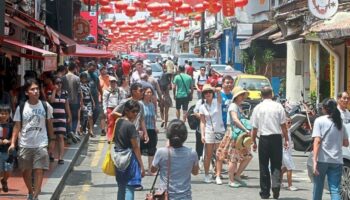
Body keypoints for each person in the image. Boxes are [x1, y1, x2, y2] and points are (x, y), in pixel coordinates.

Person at [9, 79, 55, 200]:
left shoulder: (46, 106)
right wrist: (13, 143)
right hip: (25, 144)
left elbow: (50, 124)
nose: (36, 91)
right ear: (26, 92)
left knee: (39, 170)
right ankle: (30, 190)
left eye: (37, 89)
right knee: (25, 171)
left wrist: (52, 140)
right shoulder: (21, 107)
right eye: (32, 89)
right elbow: (17, 126)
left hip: (41, 143)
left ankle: (35, 196)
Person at [251, 87, 288, 199]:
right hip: (276, 138)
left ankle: (265, 192)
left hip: (264, 139)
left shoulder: (258, 108)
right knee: (276, 164)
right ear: (271, 94)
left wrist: (254, 142)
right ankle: (276, 185)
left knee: (263, 165)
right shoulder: (278, 106)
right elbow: (283, 126)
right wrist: (286, 139)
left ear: (261, 95)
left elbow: (254, 128)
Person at [151, 119, 199, 200]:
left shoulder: (161, 152)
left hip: (166, 196)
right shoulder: (192, 153)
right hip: (185, 196)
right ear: (185, 136)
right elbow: (195, 172)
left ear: (168, 135)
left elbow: (153, 170)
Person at [312, 98, 349, 200]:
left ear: (324, 109)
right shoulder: (340, 122)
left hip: (322, 160)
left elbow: (317, 141)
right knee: (335, 189)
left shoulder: (319, 121)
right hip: (337, 160)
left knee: (318, 188)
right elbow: (346, 143)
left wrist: (314, 161)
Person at [113, 100, 145, 200]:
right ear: (126, 111)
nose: (135, 114)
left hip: (118, 158)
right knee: (129, 187)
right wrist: (142, 165)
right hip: (129, 159)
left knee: (121, 187)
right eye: (133, 111)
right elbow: (135, 147)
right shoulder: (130, 126)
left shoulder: (119, 121)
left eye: (137, 111)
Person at [224, 87, 252, 188]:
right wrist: (245, 129)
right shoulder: (233, 106)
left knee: (247, 156)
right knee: (233, 158)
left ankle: (237, 176)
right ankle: (231, 180)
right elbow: (235, 120)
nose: (243, 97)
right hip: (235, 135)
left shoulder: (237, 106)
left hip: (240, 135)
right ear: (237, 96)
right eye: (241, 95)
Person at [199, 84, 225, 184]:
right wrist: (202, 135)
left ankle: (218, 175)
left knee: (219, 154)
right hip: (209, 130)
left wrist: (215, 89)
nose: (208, 94)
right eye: (205, 92)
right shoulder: (202, 107)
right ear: (203, 95)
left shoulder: (217, 102)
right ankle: (206, 174)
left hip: (219, 130)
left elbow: (219, 92)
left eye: (209, 92)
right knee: (208, 155)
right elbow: (202, 122)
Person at [47, 77, 71, 164]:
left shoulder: (65, 93)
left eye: (60, 83)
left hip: (62, 117)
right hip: (52, 118)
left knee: (60, 137)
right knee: (53, 137)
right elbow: (51, 101)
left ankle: (60, 157)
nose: (59, 84)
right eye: (57, 83)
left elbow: (67, 105)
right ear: (54, 84)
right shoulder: (50, 92)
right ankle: (51, 154)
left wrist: (69, 116)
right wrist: (54, 90)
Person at [140, 87, 158, 175]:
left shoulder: (151, 105)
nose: (149, 94)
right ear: (144, 94)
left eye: (151, 92)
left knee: (152, 149)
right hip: (142, 130)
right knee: (140, 149)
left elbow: (153, 117)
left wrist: (155, 127)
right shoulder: (140, 104)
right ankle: (141, 168)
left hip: (151, 129)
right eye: (148, 92)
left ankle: (150, 169)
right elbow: (140, 118)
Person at [61, 62, 81, 136]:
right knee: (75, 117)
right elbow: (79, 91)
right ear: (75, 69)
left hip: (65, 100)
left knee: (66, 116)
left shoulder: (63, 78)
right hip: (74, 100)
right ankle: (72, 131)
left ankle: (68, 132)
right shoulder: (77, 78)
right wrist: (80, 101)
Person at [103, 76, 123, 141]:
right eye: (112, 82)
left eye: (114, 82)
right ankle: (110, 137)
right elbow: (104, 101)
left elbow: (121, 100)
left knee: (118, 123)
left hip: (117, 109)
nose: (113, 83)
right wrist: (105, 110)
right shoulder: (106, 91)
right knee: (111, 123)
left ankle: (116, 137)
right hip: (110, 108)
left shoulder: (119, 90)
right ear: (109, 82)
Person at [281, 117, 298, 191]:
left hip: (287, 152)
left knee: (284, 168)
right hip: (284, 152)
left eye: (291, 122)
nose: (290, 124)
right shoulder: (283, 131)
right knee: (289, 168)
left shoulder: (288, 130)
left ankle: (278, 181)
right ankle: (290, 185)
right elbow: (279, 138)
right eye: (288, 122)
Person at [0, 104, 13, 193]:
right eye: (1, 113)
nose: (3, 115)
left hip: (8, 151)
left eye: (6, 113)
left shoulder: (11, 126)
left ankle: (4, 180)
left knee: (8, 170)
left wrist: (9, 141)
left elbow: (14, 137)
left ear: (9, 115)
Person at [79, 73, 95, 137]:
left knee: (90, 116)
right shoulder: (79, 86)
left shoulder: (88, 85)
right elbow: (80, 96)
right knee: (84, 117)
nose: (84, 79)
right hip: (83, 102)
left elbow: (90, 94)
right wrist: (81, 104)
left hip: (89, 102)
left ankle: (91, 130)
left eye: (85, 78)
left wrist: (93, 102)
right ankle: (82, 130)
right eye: (83, 78)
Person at [98, 65, 111, 137]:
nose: (103, 71)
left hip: (109, 99)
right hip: (101, 99)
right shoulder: (98, 78)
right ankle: (103, 129)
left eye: (104, 69)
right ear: (100, 71)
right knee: (102, 115)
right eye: (102, 70)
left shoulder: (109, 78)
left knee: (108, 115)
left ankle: (108, 130)